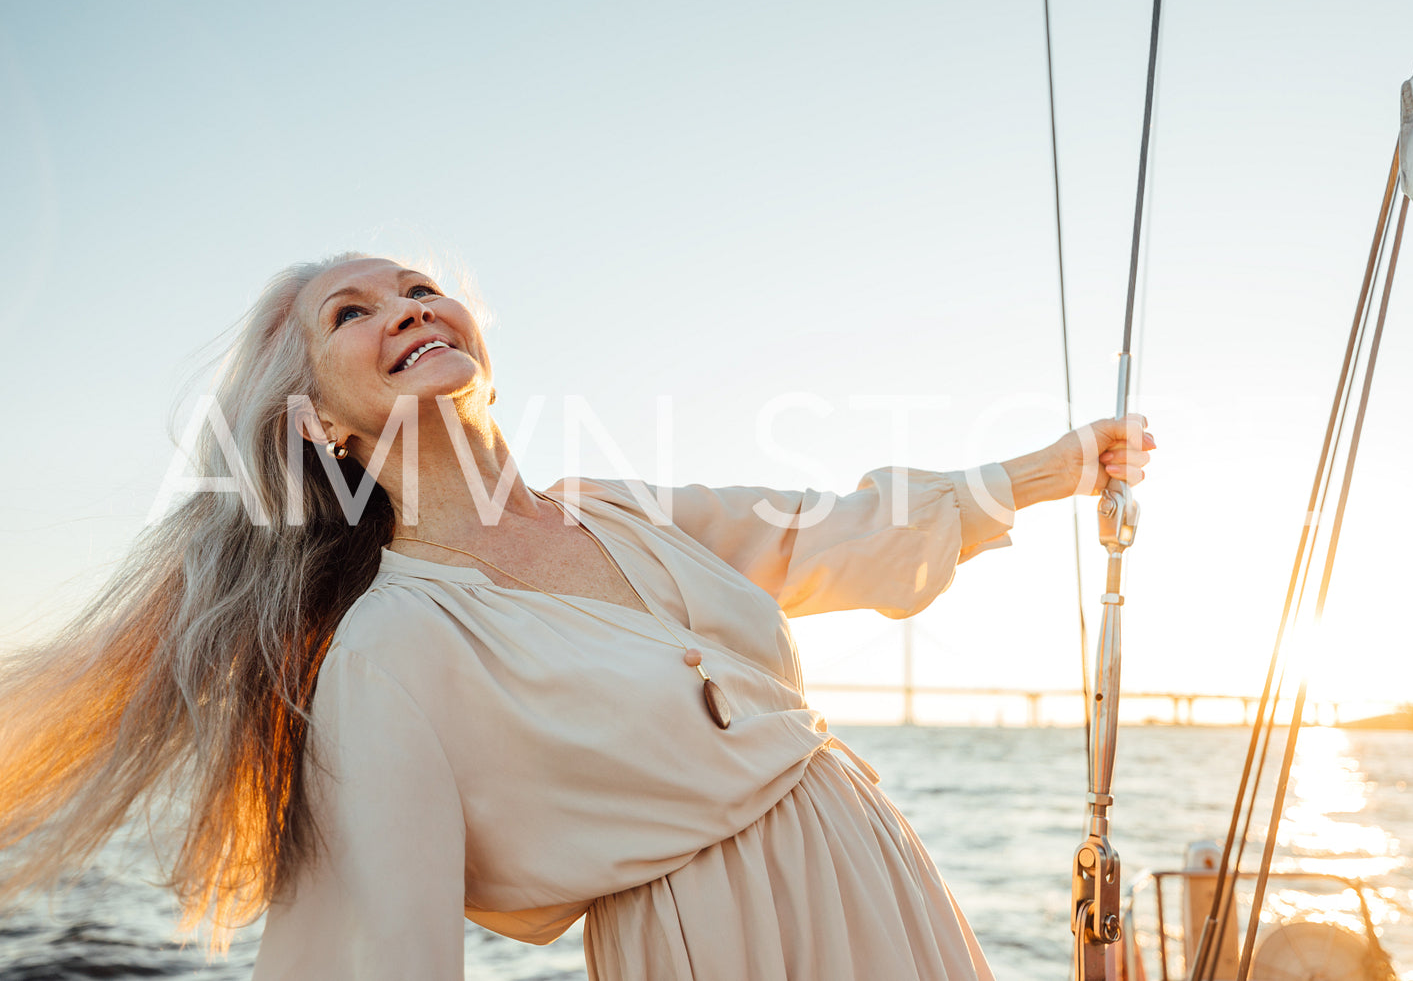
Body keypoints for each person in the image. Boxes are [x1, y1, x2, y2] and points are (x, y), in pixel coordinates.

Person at [0, 254, 1153, 980]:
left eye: (416, 287)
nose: (404, 308)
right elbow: (378, 948)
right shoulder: (390, 648)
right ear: (315, 425)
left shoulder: (621, 511)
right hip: (718, 945)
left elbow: (827, 531)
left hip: (883, 881)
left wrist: (1053, 466)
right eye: (351, 312)